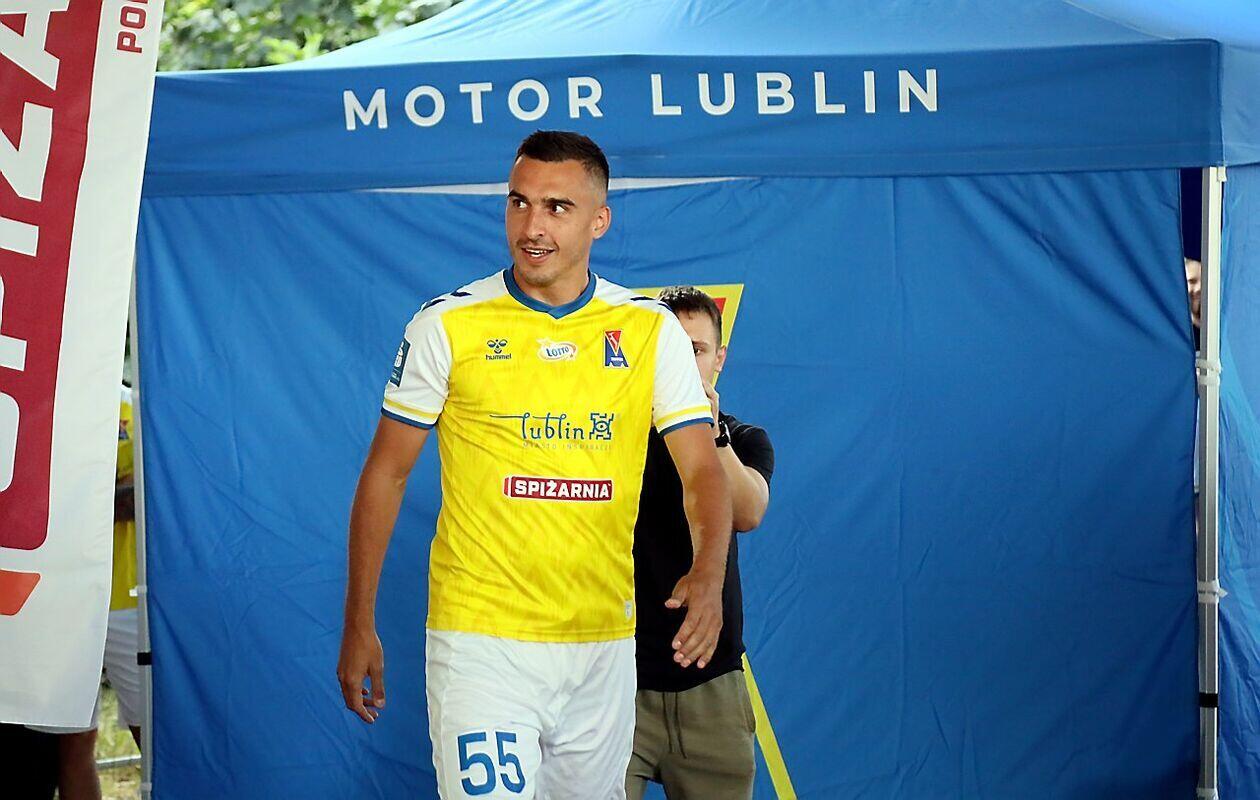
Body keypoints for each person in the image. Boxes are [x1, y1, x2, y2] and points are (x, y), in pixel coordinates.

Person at [337, 130, 733, 800]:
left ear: (599, 220)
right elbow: (386, 474)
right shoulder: (447, 324)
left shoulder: (650, 329)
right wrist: (358, 621)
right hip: (481, 642)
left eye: (557, 207)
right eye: (519, 202)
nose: (531, 226)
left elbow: (701, 472)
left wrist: (710, 574)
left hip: (603, 644)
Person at [626, 287, 774, 800]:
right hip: (613, 681)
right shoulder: (607, 440)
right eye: (672, 348)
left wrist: (710, 434)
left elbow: (749, 512)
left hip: (712, 686)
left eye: (697, 349)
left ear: (719, 358)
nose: (685, 363)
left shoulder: (742, 438)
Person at [25, 384, 144, 800]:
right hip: (62, 602)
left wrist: (86, 497)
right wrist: (114, 491)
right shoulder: (46, 396)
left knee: (156, 741)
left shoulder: (135, 404)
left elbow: (149, 495)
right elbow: (40, 500)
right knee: (73, 748)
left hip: (129, 600)